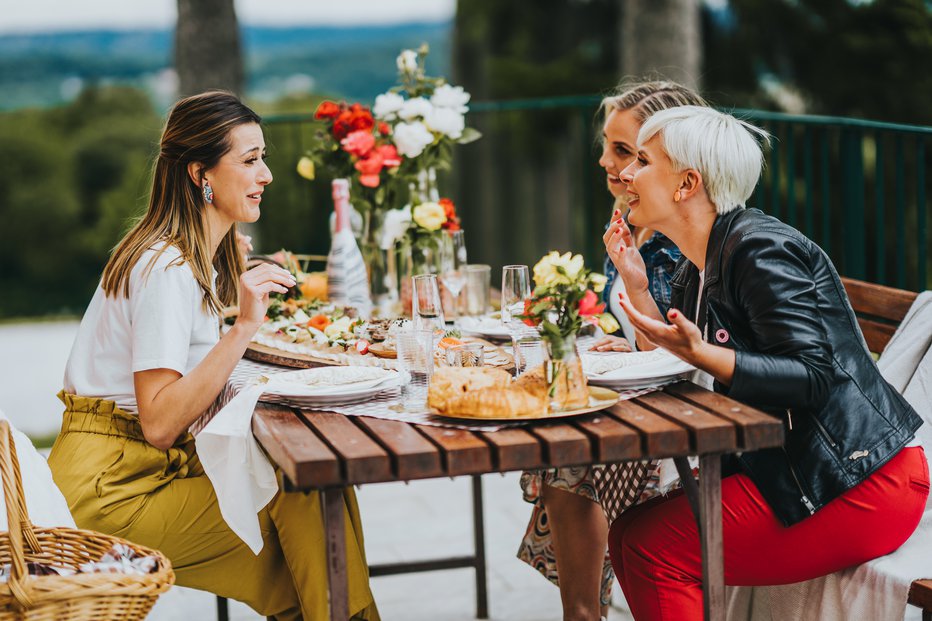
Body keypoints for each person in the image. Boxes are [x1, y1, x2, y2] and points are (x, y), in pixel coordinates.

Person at [47, 91, 379, 620]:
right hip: (110, 491)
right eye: (249, 160)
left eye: (263, 157)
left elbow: (181, 348)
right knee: (303, 488)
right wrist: (244, 327)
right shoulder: (167, 268)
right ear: (200, 174)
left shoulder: (178, 254)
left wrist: (230, 298)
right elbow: (157, 421)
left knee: (310, 506)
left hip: (126, 469)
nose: (266, 174)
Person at [606, 105, 928, 620]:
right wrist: (639, 286)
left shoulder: (758, 249)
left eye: (642, 160)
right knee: (627, 531)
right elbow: (674, 351)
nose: (624, 173)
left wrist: (702, 351)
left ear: (688, 183)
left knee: (652, 546)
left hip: (861, 483)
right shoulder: (708, 256)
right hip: (806, 469)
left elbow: (812, 378)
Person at [517, 81, 707, 621]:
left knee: (566, 449)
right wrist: (619, 340)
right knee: (557, 430)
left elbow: (680, 354)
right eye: (608, 145)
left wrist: (634, 341)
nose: (605, 161)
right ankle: (582, 611)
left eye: (626, 153)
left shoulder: (679, 240)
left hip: (688, 414)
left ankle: (582, 614)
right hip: (647, 393)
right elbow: (645, 335)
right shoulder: (631, 221)